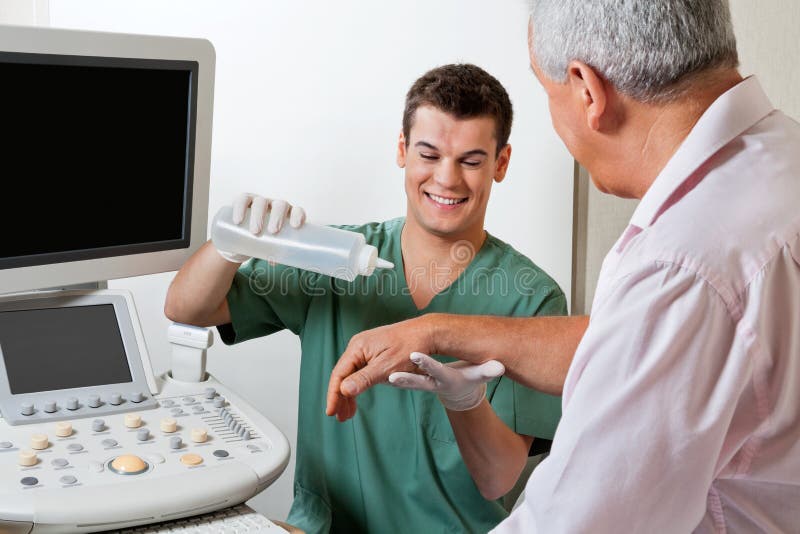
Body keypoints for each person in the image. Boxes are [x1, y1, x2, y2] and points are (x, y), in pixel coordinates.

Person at [325, 1, 800, 532]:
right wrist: (438, 331)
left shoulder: (682, 267)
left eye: (545, 90)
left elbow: (572, 522)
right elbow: (637, 344)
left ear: (587, 90)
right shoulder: (781, 159)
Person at [165, 63, 567, 533]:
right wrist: (230, 244)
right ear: (402, 150)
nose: (448, 179)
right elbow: (185, 308)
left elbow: (498, 479)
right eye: (429, 154)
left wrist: (467, 404)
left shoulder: (530, 300)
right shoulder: (332, 259)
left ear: (501, 163)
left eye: (471, 160)